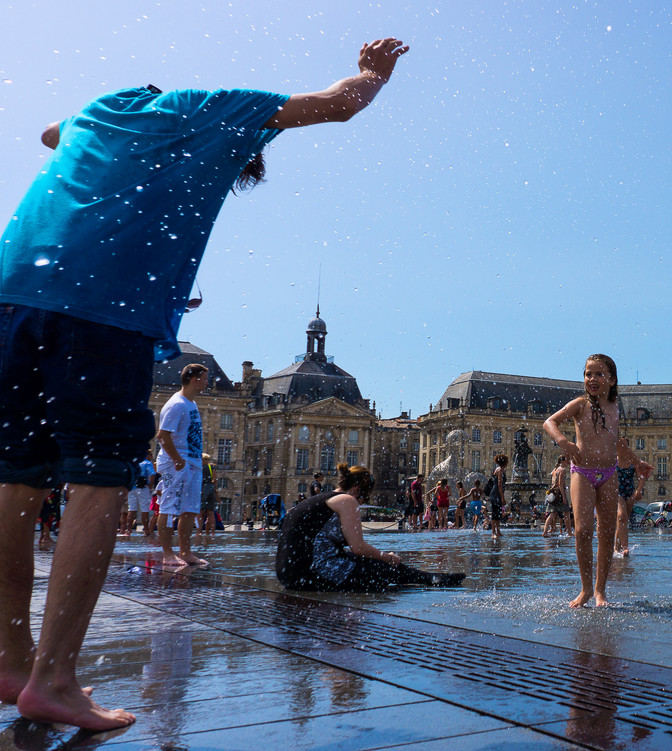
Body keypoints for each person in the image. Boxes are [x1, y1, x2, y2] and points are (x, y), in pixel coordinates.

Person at [0, 36, 409, 730]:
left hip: (14, 291)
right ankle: (57, 678)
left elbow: (49, 132)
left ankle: (10, 658)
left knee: (15, 477)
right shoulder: (213, 111)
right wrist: (372, 75)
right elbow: (341, 105)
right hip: (101, 311)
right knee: (98, 481)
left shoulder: (103, 111)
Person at [543, 354, 652, 608]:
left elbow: (617, 442)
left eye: (599, 374)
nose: (592, 379)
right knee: (582, 531)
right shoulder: (580, 404)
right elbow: (549, 422)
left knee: (606, 533)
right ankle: (585, 590)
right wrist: (563, 442)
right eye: (588, 374)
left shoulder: (615, 408)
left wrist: (637, 463)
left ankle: (600, 591)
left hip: (609, 473)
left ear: (612, 380)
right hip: (582, 472)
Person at [276, 463, 464, 592]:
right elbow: (358, 548)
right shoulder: (347, 500)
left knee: (378, 565)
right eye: (365, 497)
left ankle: (430, 578)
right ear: (358, 490)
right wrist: (386, 556)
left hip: (290, 574)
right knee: (385, 570)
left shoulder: (318, 499)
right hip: (313, 574)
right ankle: (431, 580)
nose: (362, 502)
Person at [155, 363, 210, 566]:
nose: (207, 383)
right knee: (169, 508)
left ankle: (186, 552)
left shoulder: (191, 404)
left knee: (190, 509)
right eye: (205, 379)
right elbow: (162, 435)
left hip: (192, 462)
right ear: (195, 380)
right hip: (177, 464)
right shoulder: (177, 404)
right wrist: (178, 459)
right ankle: (168, 554)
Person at [613, 457, 644, 556]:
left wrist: (639, 490)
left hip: (630, 493)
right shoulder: (613, 459)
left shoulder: (632, 460)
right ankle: (625, 547)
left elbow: (641, 476)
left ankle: (617, 548)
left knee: (622, 521)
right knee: (622, 516)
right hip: (617, 492)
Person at [122, 451, 155, 537]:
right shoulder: (147, 463)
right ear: (146, 455)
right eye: (150, 455)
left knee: (131, 509)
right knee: (145, 509)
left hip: (132, 487)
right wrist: (150, 485)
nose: (151, 456)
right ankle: (146, 530)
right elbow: (152, 474)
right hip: (143, 488)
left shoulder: (133, 462)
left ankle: (128, 530)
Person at [542, 456, 571, 537]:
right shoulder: (562, 470)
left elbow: (553, 483)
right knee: (567, 513)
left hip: (553, 495)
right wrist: (564, 497)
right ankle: (569, 532)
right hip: (559, 494)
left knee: (552, 513)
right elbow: (561, 484)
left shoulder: (554, 470)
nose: (567, 463)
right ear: (562, 461)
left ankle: (545, 532)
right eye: (566, 461)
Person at [488, 455, 509, 541]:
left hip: (495, 492)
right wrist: (502, 497)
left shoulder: (498, 469)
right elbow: (499, 484)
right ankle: (493, 533)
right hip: (496, 493)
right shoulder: (500, 470)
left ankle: (498, 531)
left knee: (498, 513)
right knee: (495, 513)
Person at [198, 454, 219, 537]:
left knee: (200, 513)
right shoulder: (212, 468)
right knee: (211, 513)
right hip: (210, 489)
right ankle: (211, 531)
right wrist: (215, 490)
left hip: (201, 489)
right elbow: (215, 480)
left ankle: (199, 532)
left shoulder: (198, 468)